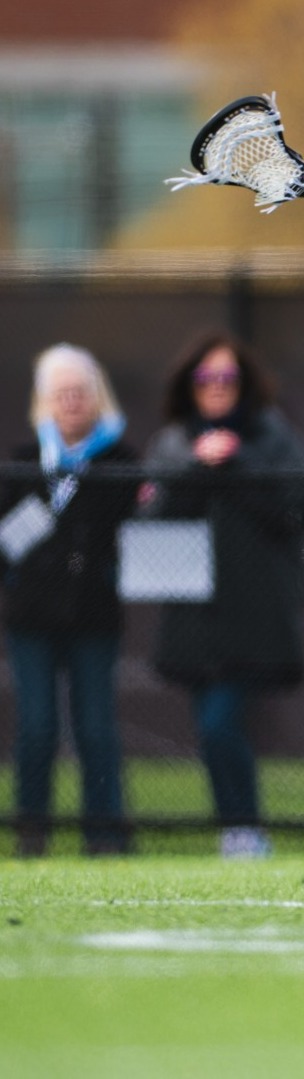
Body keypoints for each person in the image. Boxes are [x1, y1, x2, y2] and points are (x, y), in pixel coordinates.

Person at [145, 332, 304, 859]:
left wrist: (235, 466)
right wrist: (199, 467)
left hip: (256, 612)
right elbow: (153, 515)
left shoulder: (271, 437)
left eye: (227, 378)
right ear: (189, 385)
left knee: (221, 721)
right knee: (210, 726)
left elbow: (298, 510)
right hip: (194, 615)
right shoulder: (174, 443)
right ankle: (235, 826)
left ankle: (244, 828)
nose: (217, 388)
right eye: (206, 378)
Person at [1, 344, 137, 857]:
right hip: (32, 617)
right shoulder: (23, 461)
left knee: (96, 726)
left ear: (95, 397)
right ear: (46, 402)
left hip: (93, 615)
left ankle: (105, 835)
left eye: (80, 393)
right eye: (62, 394)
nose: (72, 402)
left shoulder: (121, 462)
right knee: (35, 725)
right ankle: (30, 832)